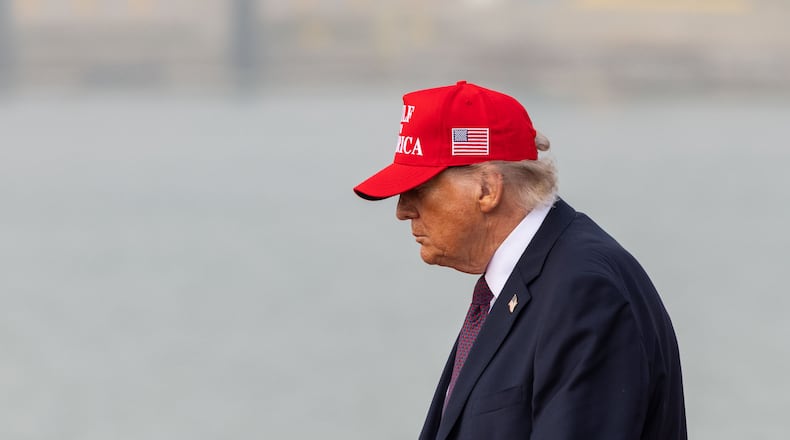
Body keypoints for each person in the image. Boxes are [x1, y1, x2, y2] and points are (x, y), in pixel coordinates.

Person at [353, 80, 687, 440]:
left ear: (487, 189)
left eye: (418, 189)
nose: (403, 211)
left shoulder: (582, 291)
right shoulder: (535, 280)